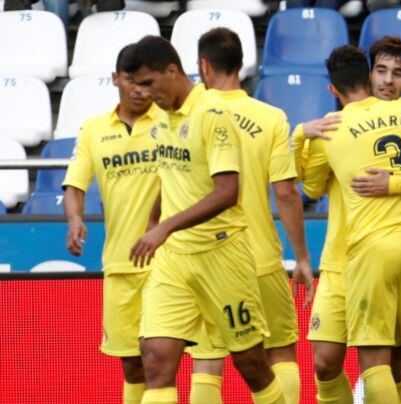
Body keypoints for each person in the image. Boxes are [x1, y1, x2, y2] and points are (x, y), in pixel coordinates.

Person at [125, 35, 285, 404]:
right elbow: (174, 173)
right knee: (156, 361)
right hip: (175, 259)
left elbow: (228, 191)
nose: (146, 94)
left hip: (222, 254)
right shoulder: (162, 115)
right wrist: (154, 219)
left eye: (149, 83)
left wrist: (164, 227)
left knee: (251, 364)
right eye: (138, 86)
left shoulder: (212, 114)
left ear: (172, 70)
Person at [302, 44, 401, 403]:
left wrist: (391, 184)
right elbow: (311, 183)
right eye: (381, 71)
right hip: (342, 260)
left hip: (373, 249)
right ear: (367, 75)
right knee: (325, 363)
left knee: (392, 360)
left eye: (397, 73)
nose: (387, 80)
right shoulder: (332, 128)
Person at [177, 28, 315, 404]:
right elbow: (286, 193)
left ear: (203, 65)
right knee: (281, 352)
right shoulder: (270, 117)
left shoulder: (188, 116)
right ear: (242, 64)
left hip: (204, 257)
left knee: (207, 362)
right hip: (260, 257)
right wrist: (301, 256)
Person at [63, 43, 164, 404]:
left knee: (158, 361)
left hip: (167, 264)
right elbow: (75, 184)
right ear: (115, 79)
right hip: (120, 263)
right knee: (132, 365)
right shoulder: (92, 130)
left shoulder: (169, 124)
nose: (138, 90)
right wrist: (75, 219)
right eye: (130, 81)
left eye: (146, 83)